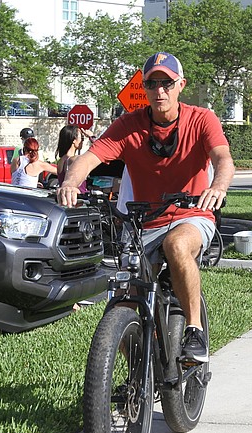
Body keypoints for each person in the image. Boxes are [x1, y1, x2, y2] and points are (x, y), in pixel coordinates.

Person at [56, 51, 234, 362]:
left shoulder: (202, 119)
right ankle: (140, 374)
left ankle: (194, 330)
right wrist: (70, 183)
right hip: (145, 224)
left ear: (181, 85)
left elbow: (222, 158)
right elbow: (88, 158)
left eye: (167, 83)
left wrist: (218, 186)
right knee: (123, 302)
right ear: (145, 87)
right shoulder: (129, 125)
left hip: (192, 214)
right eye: (152, 83)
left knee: (177, 245)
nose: (159, 90)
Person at [55, 125, 93, 194]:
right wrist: (92, 137)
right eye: (82, 138)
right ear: (74, 140)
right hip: (78, 198)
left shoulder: (61, 160)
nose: (82, 141)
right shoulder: (74, 159)